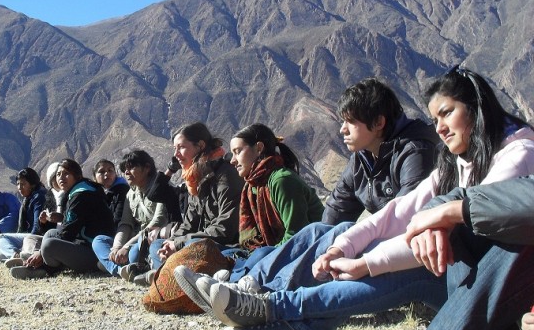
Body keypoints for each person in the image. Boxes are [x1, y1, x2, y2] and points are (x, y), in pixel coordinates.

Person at [206, 66, 534, 330]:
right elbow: (399, 213)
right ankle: (279, 313)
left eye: (447, 113)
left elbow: (438, 225)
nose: (441, 129)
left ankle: (273, 307)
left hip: (493, 293)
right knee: (331, 232)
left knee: (409, 262)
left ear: (476, 108)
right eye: (436, 119)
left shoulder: (507, 156)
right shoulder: (450, 161)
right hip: (456, 274)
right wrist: (341, 248)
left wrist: (369, 260)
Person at [177, 78, 437, 303]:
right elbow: (335, 210)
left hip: (404, 253)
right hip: (374, 245)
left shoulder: (414, 151)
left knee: (328, 236)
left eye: (350, 122)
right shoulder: (363, 158)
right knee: (319, 233)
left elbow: (407, 216)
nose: (342, 130)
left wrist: (337, 244)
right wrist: (322, 243)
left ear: (378, 122)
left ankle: (260, 291)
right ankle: (247, 284)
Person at [327, 175, 534, 330]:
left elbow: (513, 207)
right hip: (474, 293)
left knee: (507, 228)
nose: (439, 134)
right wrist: (432, 220)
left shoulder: (517, 151)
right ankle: (286, 313)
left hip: (442, 275)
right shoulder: (448, 162)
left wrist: (366, 264)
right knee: (327, 232)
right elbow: (404, 210)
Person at [175, 123, 324, 303]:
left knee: (260, 255)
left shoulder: (281, 181)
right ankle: (223, 284)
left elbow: (296, 236)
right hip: (264, 249)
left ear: (259, 148)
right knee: (224, 253)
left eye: (238, 152)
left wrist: (261, 254)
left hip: (303, 253)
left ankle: (228, 286)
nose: (233, 160)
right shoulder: (252, 186)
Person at [142, 122, 244, 285]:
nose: (176, 155)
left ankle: (167, 275)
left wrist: (179, 243)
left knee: (192, 245)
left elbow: (225, 229)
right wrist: (171, 243)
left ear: (200, 145)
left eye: (181, 147)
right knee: (158, 245)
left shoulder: (225, 175)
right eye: (175, 149)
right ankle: (172, 274)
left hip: (225, 247)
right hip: (196, 243)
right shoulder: (195, 179)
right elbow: (189, 224)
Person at [10, 159, 115, 279]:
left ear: (77, 176)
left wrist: (40, 252)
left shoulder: (81, 195)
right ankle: (40, 266)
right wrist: (59, 217)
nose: (61, 177)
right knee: (50, 234)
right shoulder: (77, 191)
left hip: (94, 252)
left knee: (49, 245)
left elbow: (68, 232)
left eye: (66, 173)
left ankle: (41, 267)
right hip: (83, 242)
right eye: (58, 174)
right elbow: (79, 221)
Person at [92, 150, 168, 278]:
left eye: (131, 168)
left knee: (133, 254)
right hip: (135, 237)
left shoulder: (162, 188)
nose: (126, 172)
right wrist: (117, 247)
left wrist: (126, 247)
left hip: (153, 237)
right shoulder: (131, 194)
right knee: (98, 241)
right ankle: (120, 269)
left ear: (147, 168)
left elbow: (158, 222)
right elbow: (125, 224)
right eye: (124, 169)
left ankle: (120, 266)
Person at [0, 168, 47, 261]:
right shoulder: (28, 199)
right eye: (18, 184)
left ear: (32, 184)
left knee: (0, 237)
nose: (19, 187)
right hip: (29, 236)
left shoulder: (39, 197)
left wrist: (27, 242)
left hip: (36, 238)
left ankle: (18, 257)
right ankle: (21, 257)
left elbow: (37, 226)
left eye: (23, 184)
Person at [93, 159, 130, 228]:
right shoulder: (93, 195)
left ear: (115, 174)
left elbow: (118, 219)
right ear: (95, 178)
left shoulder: (122, 191)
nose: (107, 173)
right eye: (102, 172)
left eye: (110, 170)